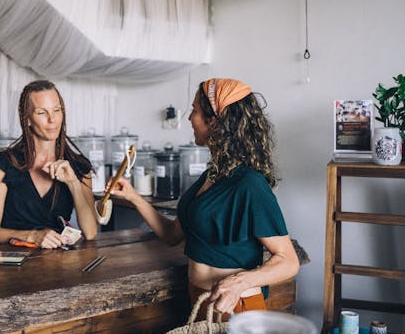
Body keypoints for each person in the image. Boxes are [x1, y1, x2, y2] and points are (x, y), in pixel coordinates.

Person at [108, 78, 299, 317]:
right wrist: (134, 197)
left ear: (216, 121)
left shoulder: (249, 183)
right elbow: (172, 235)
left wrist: (239, 282)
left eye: (195, 110)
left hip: (235, 306)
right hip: (198, 297)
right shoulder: (211, 175)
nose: (189, 118)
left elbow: (289, 261)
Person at [0, 80, 98, 248]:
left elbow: (90, 232)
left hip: (57, 263)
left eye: (57, 110)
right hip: (11, 263)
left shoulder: (78, 166)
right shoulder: (6, 163)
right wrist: (32, 236)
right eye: (42, 112)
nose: (52, 119)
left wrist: (73, 183)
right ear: (27, 119)